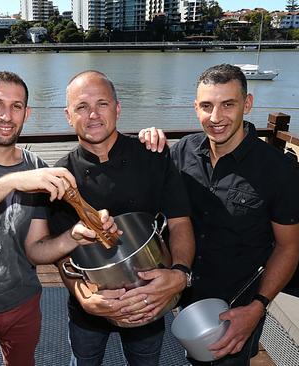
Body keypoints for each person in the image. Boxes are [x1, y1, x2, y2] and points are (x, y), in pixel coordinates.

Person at [0, 71, 119, 366]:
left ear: (26, 113)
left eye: (16, 107)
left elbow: (35, 250)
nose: (6, 116)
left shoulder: (35, 166)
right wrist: (10, 182)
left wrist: (72, 236)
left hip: (23, 304)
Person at [141, 63, 299, 365]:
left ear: (248, 104)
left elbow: (288, 247)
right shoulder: (182, 152)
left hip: (236, 307)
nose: (215, 118)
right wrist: (146, 144)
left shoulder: (281, 173)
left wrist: (257, 307)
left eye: (228, 105)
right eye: (206, 106)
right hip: (183, 294)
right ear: (195, 108)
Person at [49, 70, 196, 366]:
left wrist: (180, 272)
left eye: (102, 104)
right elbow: (60, 254)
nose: (92, 115)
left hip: (148, 298)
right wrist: (84, 298)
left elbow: (180, 222)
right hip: (91, 305)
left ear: (117, 108)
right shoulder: (61, 176)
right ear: (68, 115)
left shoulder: (153, 156)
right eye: (81, 107)